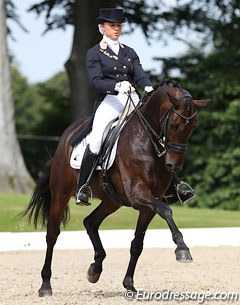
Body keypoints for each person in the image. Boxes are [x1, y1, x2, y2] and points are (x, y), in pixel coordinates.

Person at [75, 8, 195, 206]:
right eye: (112, 26)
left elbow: (139, 73)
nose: (116, 29)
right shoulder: (94, 53)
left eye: (119, 26)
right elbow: (94, 80)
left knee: (158, 136)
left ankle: (174, 186)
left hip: (132, 98)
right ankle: (83, 187)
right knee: (96, 140)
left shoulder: (129, 52)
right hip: (110, 100)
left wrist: (147, 85)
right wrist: (115, 85)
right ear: (101, 28)